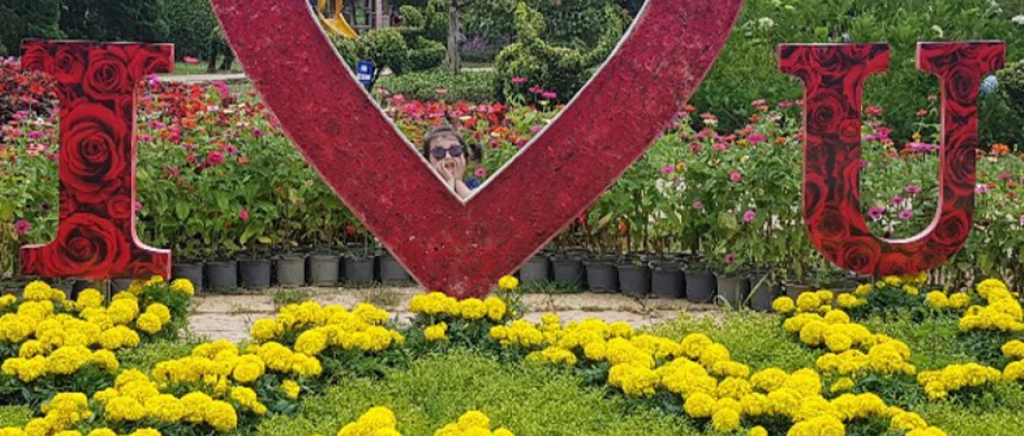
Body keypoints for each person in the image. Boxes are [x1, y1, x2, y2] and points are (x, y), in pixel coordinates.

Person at [421, 125, 483, 199]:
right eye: (438, 152)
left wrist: (458, 181)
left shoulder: (474, 184)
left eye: (455, 150)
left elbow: (476, 203)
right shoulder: (424, 191)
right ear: (427, 160)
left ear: (464, 157)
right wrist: (449, 182)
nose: (448, 156)